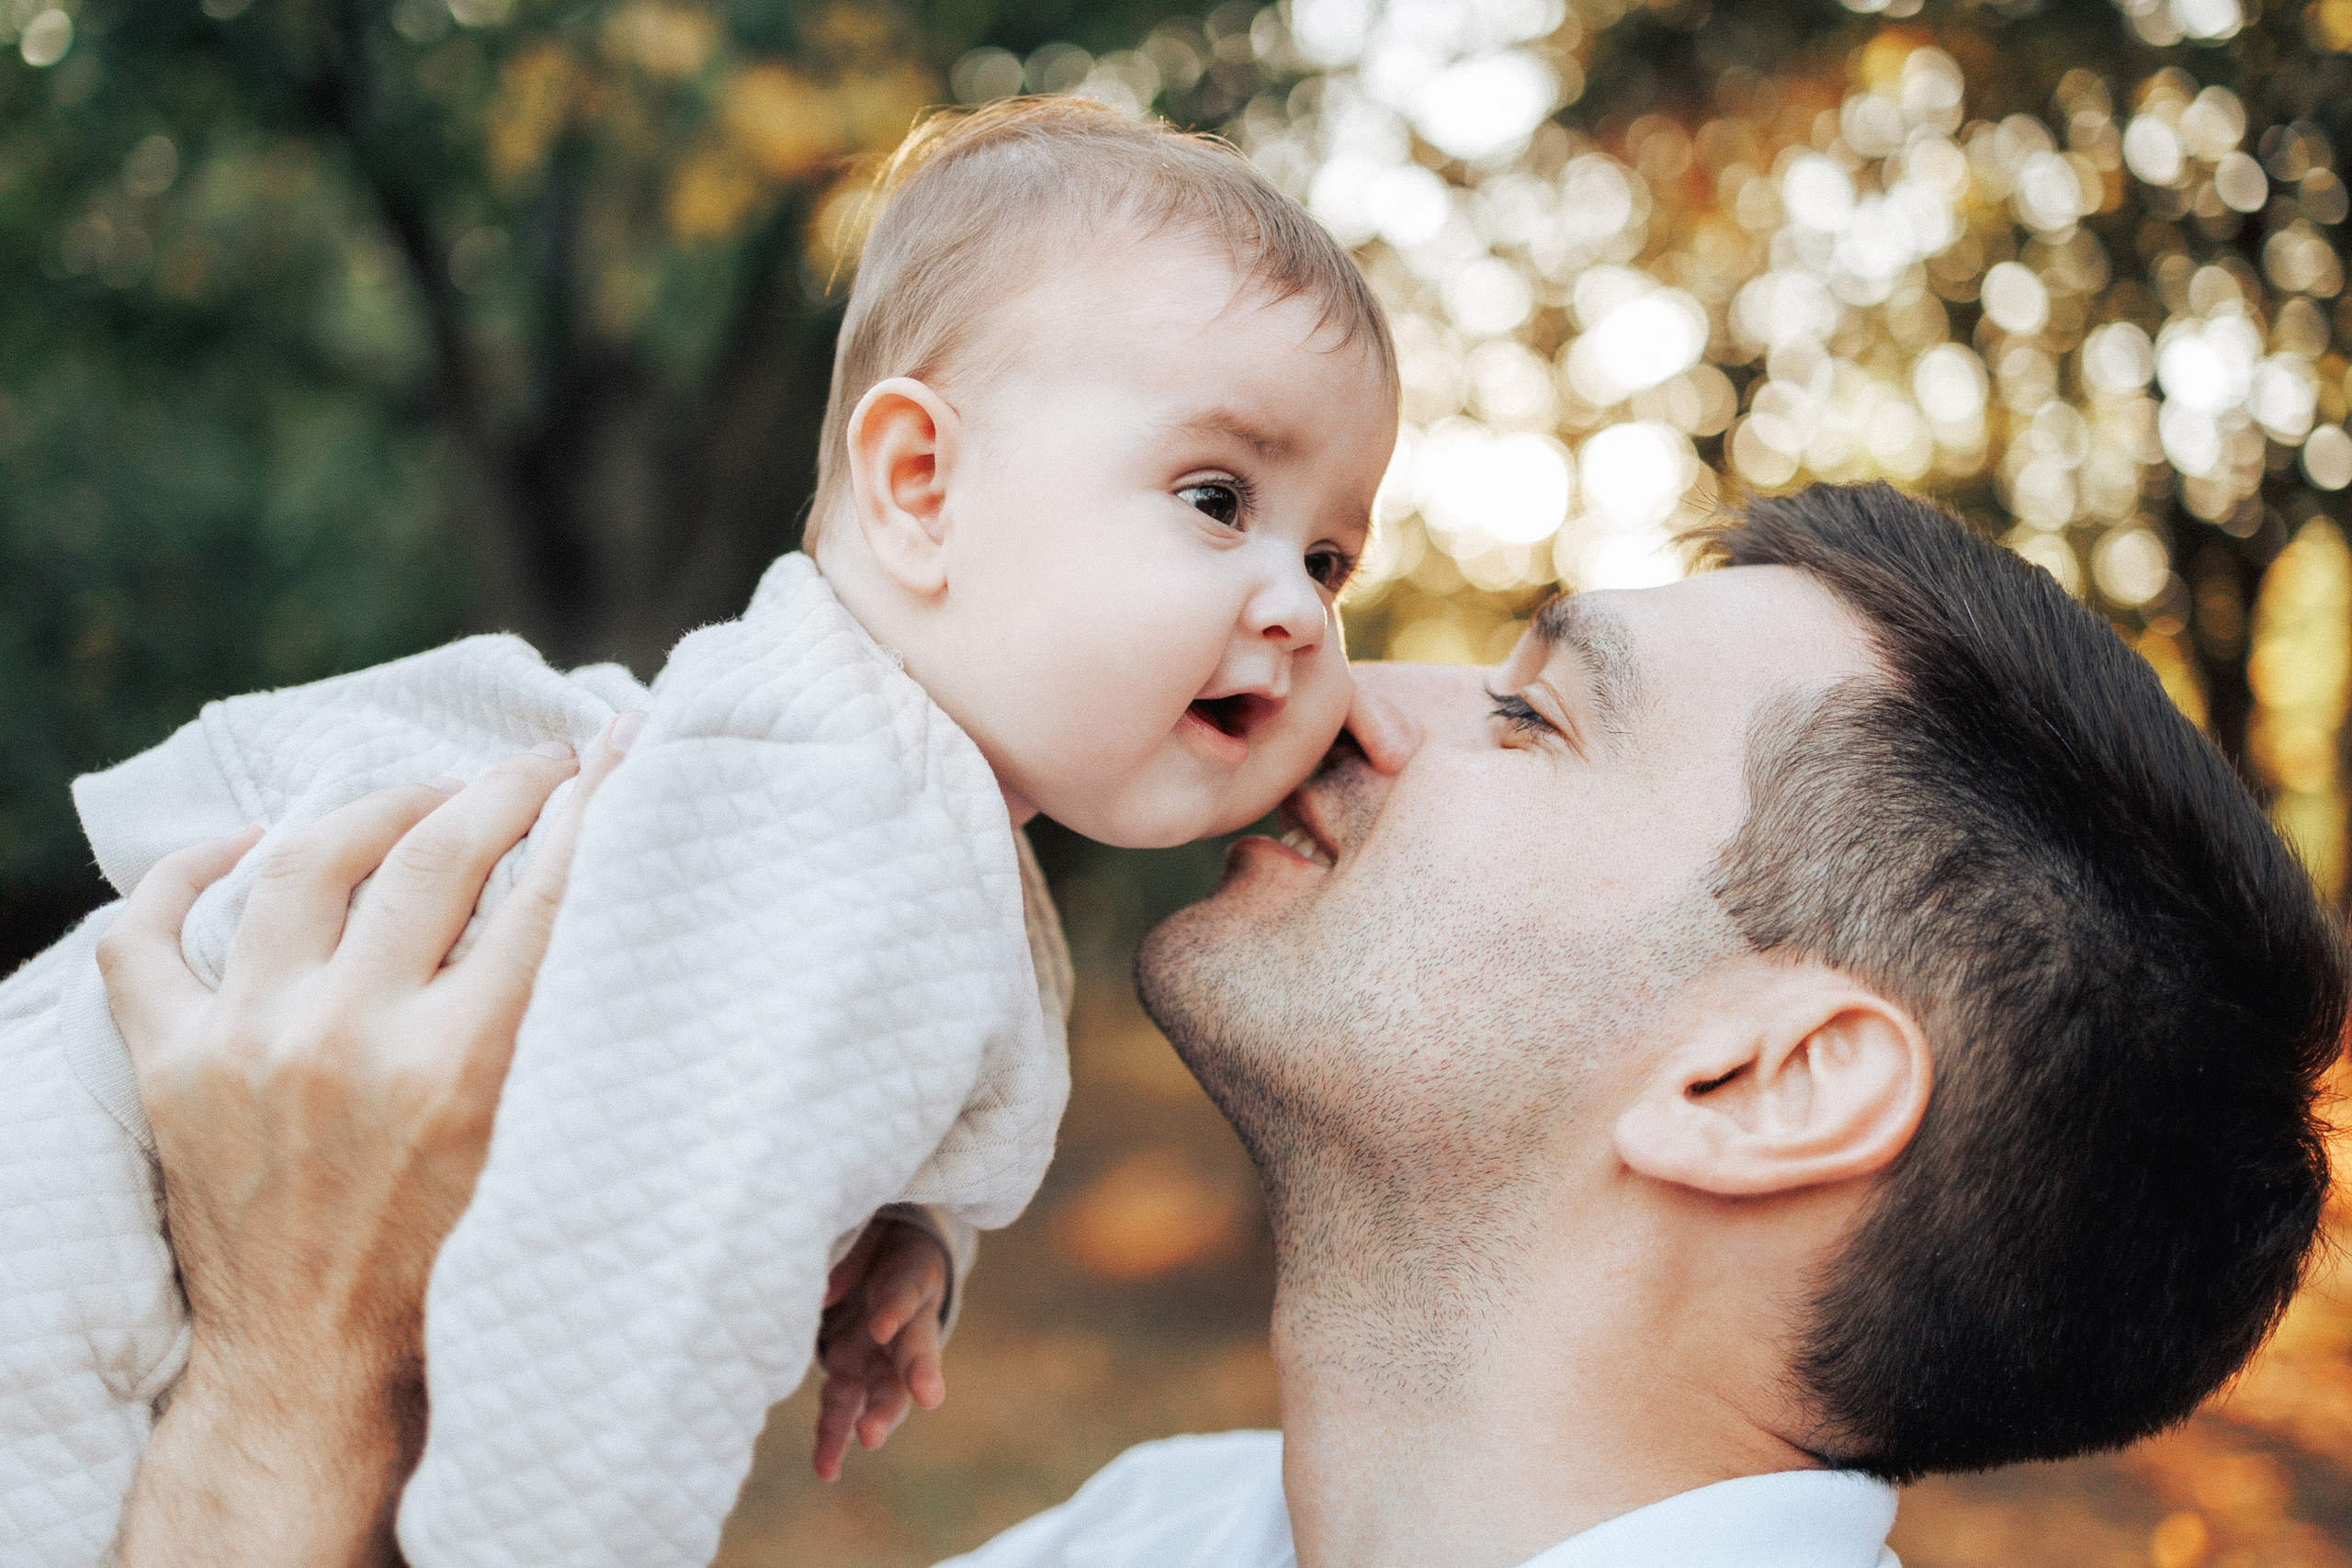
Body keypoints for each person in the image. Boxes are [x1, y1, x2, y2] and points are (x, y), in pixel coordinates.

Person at [96, 481, 2346, 1568]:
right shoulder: (1160, 1532)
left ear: (1763, 1078)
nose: (1346, 698)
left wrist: (293, 1385)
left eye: (1535, 715)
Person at [0, 96, 1397, 1568]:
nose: (1298, 610)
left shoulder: (867, 798)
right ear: (921, 486)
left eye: (1328, 556)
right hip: (82, 1216)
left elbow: (767, 1079)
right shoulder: (851, 825)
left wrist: (911, 1226)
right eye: (1216, 498)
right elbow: (621, 1316)